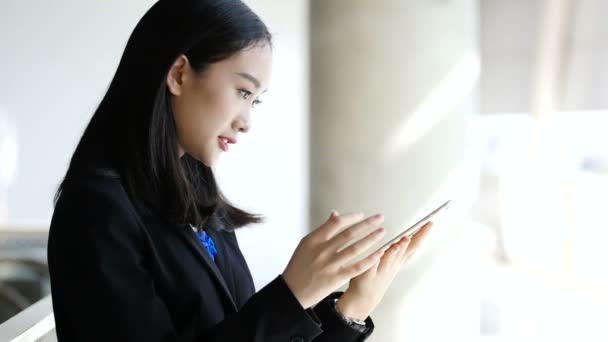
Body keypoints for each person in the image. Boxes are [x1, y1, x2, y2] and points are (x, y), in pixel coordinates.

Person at [47, 0, 433, 341]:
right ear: (179, 74)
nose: (246, 121)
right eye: (243, 92)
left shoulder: (199, 201)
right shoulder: (97, 213)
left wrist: (352, 307)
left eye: (256, 101)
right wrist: (292, 294)